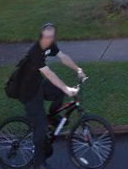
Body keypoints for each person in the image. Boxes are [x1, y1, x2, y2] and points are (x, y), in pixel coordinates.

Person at [17, 23, 85, 168]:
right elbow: (48, 74)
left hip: (37, 83)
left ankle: (52, 117)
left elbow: (63, 57)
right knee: (40, 127)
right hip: (27, 90)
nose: (48, 40)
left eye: (51, 37)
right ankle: (39, 163)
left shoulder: (50, 45)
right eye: (46, 37)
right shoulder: (35, 51)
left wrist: (78, 69)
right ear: (41, 36)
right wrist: (67, 89)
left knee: (58, 91)